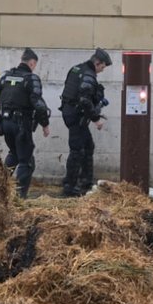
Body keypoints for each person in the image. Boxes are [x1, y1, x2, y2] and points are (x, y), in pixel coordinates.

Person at [0, 48, 51, 198]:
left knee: (15, 154)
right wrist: (45, 124)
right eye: (34, 65)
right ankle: (20, 197)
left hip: (6, 123)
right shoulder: (31, 78)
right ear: (32, 63)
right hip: (21, 125)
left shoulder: (5, 77)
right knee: (26, 161)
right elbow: (39, 104)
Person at [59, 48, 112, 197]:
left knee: (88, 146)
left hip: (70, 112)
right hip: (76, 116)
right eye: (102, 67)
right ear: (97, 62)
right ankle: (69, 187)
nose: (102, 70)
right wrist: (96, 119)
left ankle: (85, 182)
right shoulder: (88, 74)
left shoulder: (77, 69)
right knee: (77, 151)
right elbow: (84, 100)